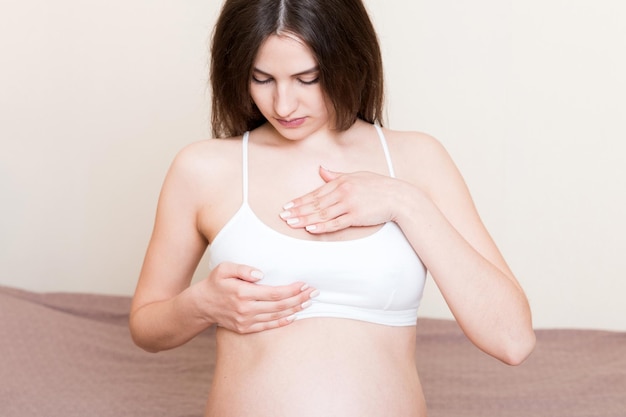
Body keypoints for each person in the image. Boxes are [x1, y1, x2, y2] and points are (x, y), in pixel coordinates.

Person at [129, 0, 536, 415]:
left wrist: (403, 201)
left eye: (308, 79)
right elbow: (146, 327)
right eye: (262, 78)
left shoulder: (417, 159)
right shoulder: (202, 168)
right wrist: (199, 305)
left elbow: (513, 340)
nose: (283, 105)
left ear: (348, 60)